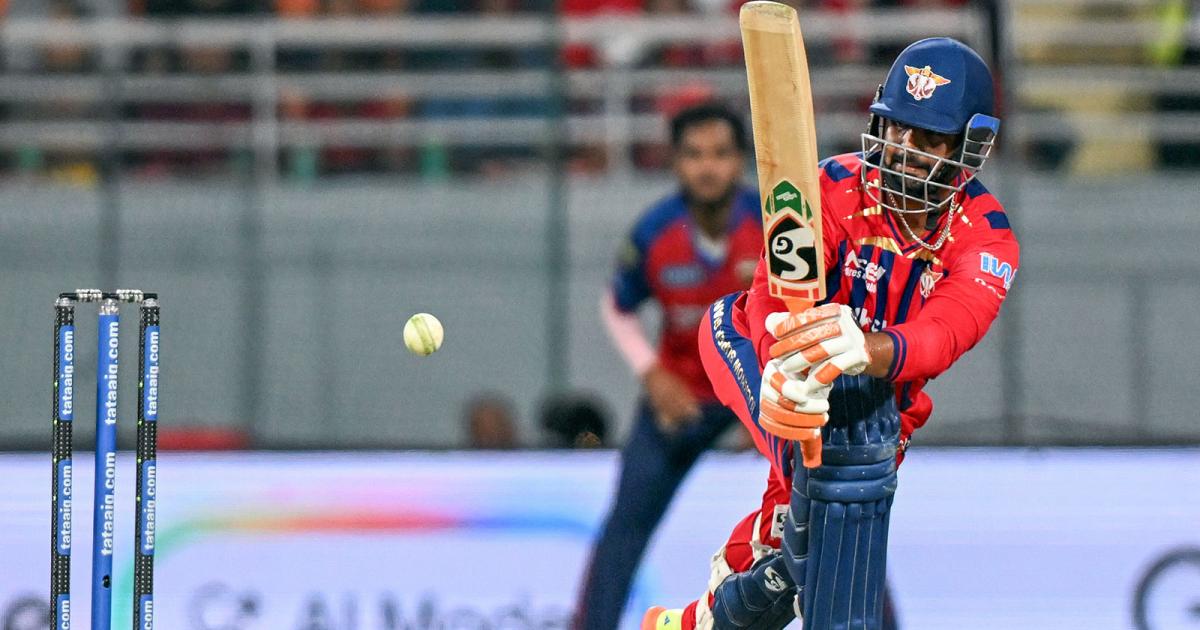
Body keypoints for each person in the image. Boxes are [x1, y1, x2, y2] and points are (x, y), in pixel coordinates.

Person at [642, 37, 1017, 630]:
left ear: (969, 146)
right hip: (752, 346)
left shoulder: (986, 237)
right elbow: (773, 290)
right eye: (896, 128)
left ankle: (696, 621)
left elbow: (946, 333)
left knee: (797, 549)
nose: (903, 150)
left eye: (928, 139)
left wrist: (864, 350)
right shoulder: (829, 187)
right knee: (834, 486)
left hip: (874, 410)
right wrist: (782, 360)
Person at [574, 103, 763, 630]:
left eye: (720, 154)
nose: (708, 167)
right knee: (625, 526)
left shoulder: (775, 227)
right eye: (694, 155)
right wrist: (651, 374)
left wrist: (771, 394)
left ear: (741, 161)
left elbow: (806, 307)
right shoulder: (654, 233)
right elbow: (617, 305)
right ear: (676, 163)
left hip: (759, 391)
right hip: (683, 398)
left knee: (830, 505)